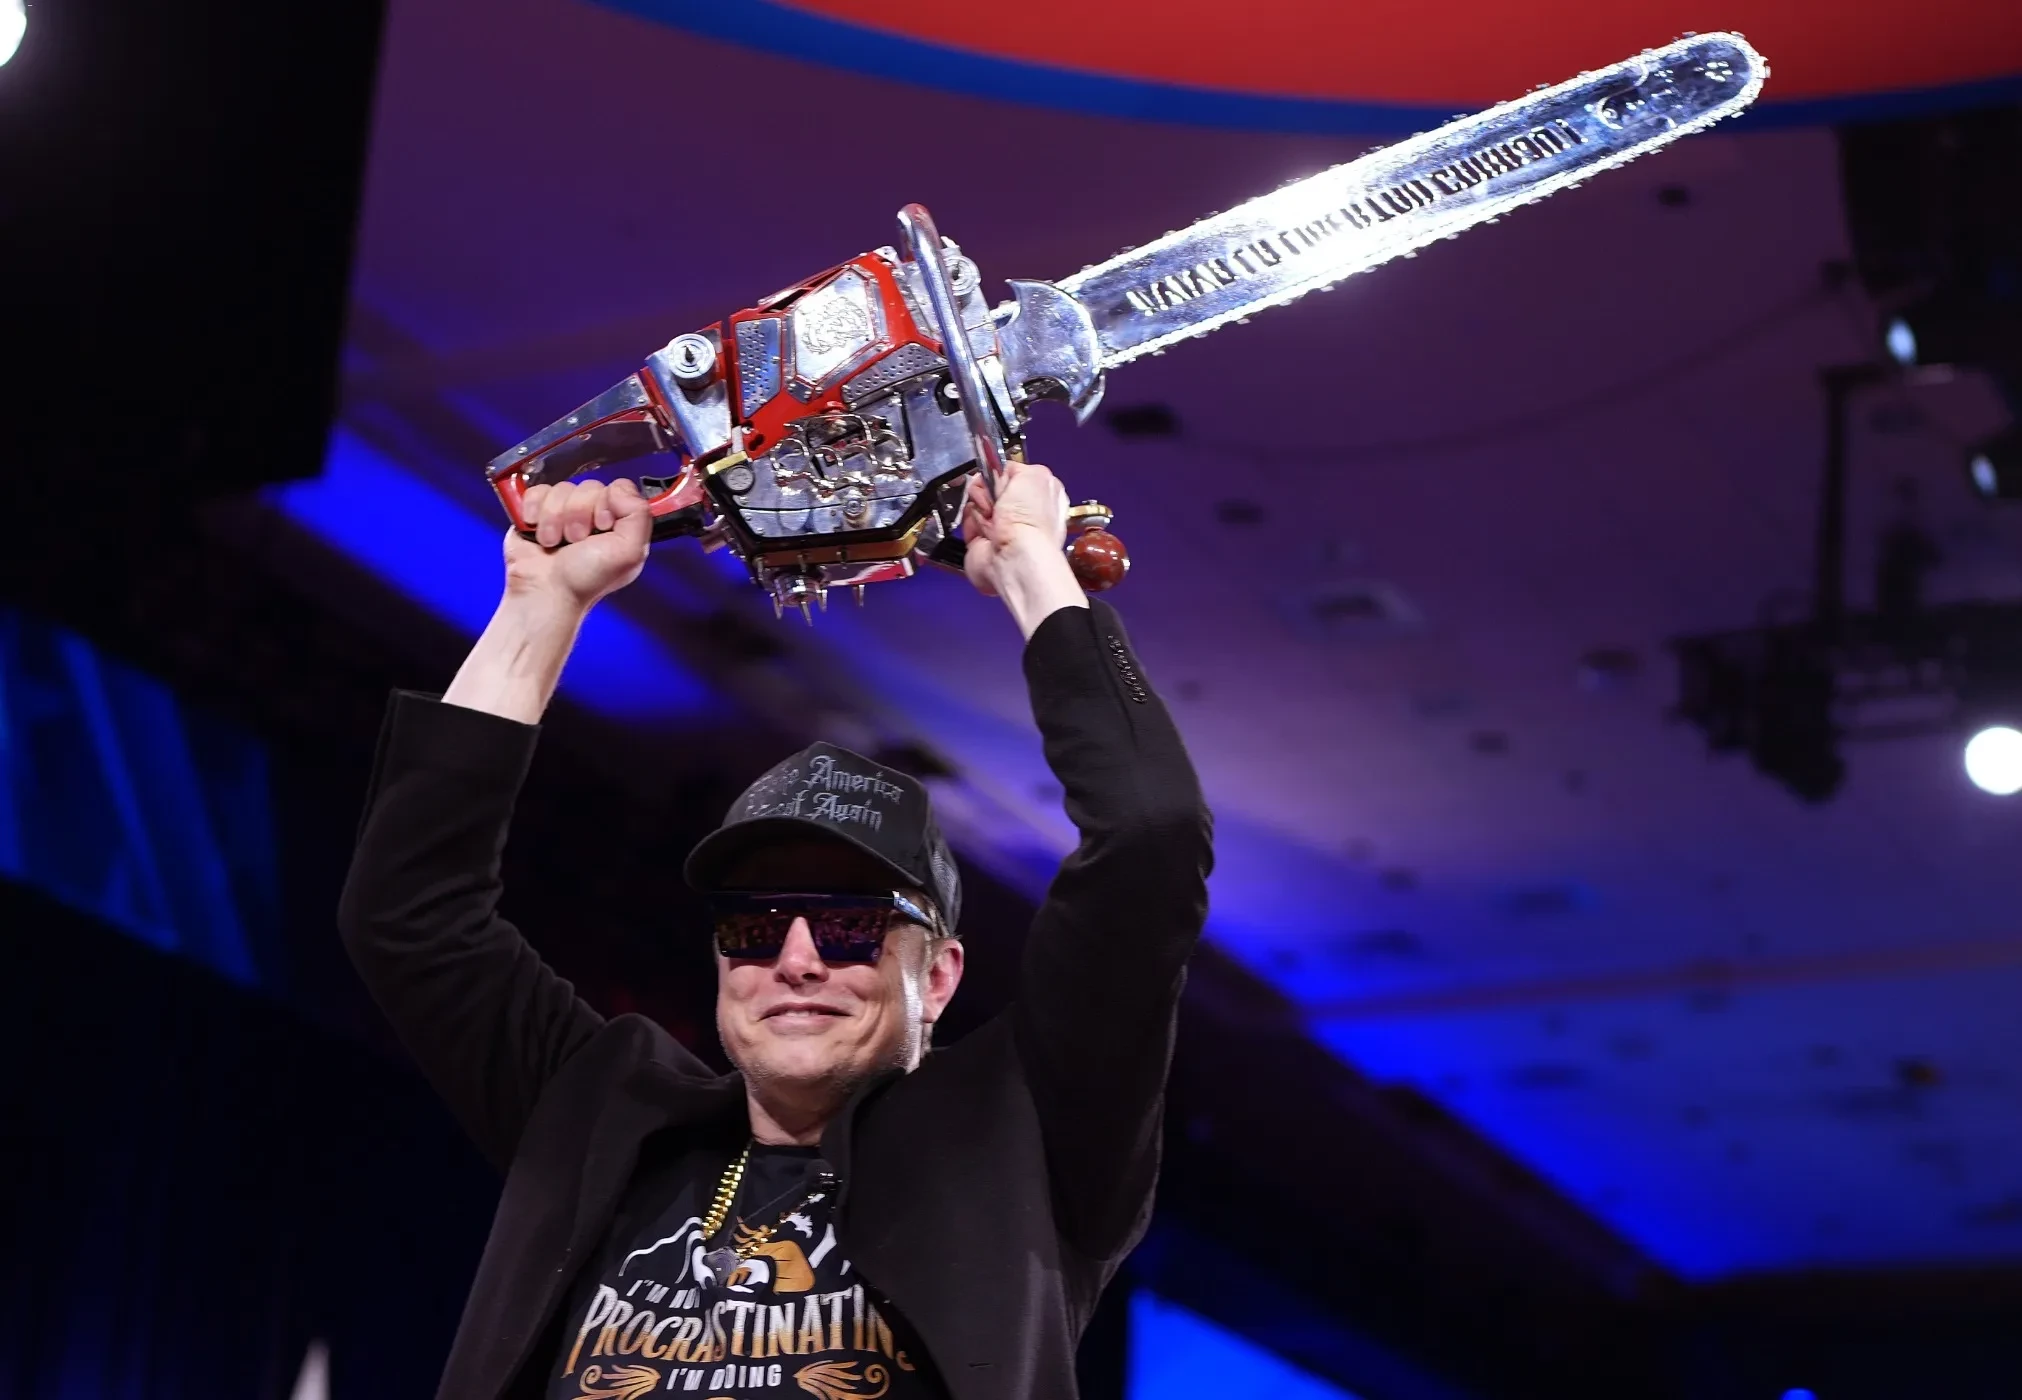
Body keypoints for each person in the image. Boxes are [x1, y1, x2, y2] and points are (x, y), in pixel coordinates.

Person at [338, 460, 1214, 1399]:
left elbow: (1149, 838)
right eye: (756, 927)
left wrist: (1033, 567)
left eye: (848, 926)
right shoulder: (605, 1116)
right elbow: (408, 914)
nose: (797, 960)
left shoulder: (1023, 1139)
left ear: (940, 973)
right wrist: (539, 603)